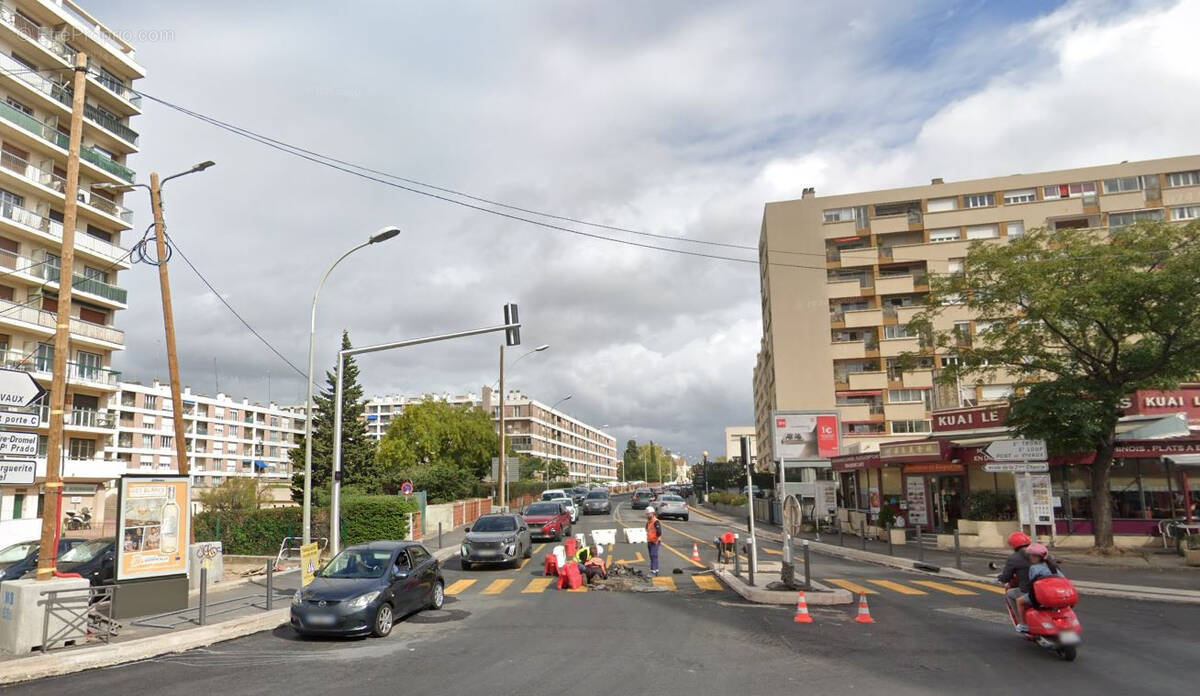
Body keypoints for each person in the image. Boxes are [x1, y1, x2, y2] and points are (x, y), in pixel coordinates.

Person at [1015, 542, 1063, 632]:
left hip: (1044, 596)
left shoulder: (1034, 568)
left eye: (1033, 556)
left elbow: (1033, 584)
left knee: (1020, 601)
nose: (1031, 557)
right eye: (1030, 555)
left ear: (1038, 557)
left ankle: (1024, 625)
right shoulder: (1053, 567)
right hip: (1057, 594)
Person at [997, 530, 1031, 631]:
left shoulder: (1014, 558)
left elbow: (1006, 577)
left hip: (1029, 590)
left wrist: (1000, 578)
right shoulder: (1040, 554)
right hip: (1047, 588)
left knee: (1010, 593)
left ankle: (1022, 622)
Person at [645, 506, 662, 576]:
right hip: (650, 541)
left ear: (652, 514)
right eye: (647, 514)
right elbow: (647, 530)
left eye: (649, 514)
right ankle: (656, 570)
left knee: (653, 555)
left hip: (655, 541)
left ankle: (653, 571)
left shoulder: (656, 522)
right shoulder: (648, 522)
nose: (647, 515)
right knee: (652, 556)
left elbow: (659, 532)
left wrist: (656, 540)